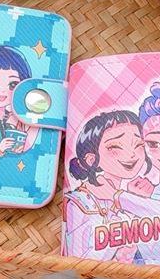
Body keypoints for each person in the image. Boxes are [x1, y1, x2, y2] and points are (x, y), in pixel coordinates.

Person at [63, 111, 150, 261]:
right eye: (115, 147)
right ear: (91, 159)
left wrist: (135, 202)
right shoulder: (81, 202)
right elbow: (79, 260)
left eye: (138, 145)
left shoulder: (128, 194)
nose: (132, 154)